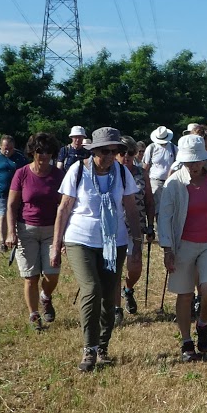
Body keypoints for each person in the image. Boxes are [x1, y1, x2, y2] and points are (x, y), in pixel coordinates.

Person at [51, 127, 141, 373]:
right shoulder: (77, 170)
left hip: (114, 242)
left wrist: (138, 244)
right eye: (105, 151)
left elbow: (131, 210)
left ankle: (103, 347)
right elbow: (64, 209)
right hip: (80, 239)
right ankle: (88, 349)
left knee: (109, 295)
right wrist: (56, 245)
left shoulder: (122, 173)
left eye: (115, 151)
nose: (111, 156)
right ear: (94, 151)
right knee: (91, 289)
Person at [157, 133, 207, 362]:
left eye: (197, 160)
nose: (194, 165)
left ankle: (203, 323)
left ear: (204, 158)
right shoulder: (174, 182)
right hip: (183, 244)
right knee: (185, 294)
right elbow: (165, 217)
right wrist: (167, 249)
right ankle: (187, 341)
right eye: (189, 161)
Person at [5, 132, 64, 331]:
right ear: (33, 152)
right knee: (31, 277)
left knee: (51, 274)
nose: (44, 155)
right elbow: (12, 205)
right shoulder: (21, 173)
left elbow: (64, 206)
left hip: (51, 230)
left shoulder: (58, 175)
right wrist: (11, 232)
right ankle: (34, 315)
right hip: (26, 229)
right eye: (40, 151)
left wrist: (63, 236)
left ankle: (45, 297)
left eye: (48, 151)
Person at [115, 146, 153, 323]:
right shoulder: (110, 173)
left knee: (135, 266)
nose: (126, 157)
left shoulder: (141, 173)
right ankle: (116, 308)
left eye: (130, 153)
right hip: (113, 228)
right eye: (122, 153)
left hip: (136, 227)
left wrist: (151, 225)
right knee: (113, 270)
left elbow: (149, 201)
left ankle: (128, 290)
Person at [142, 125, 176, 217]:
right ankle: (158, 227)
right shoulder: (151, 148)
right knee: (157, 207)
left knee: (169, 208)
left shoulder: (173, 148)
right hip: (155, 180)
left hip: (170, 181)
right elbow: (146, 165)